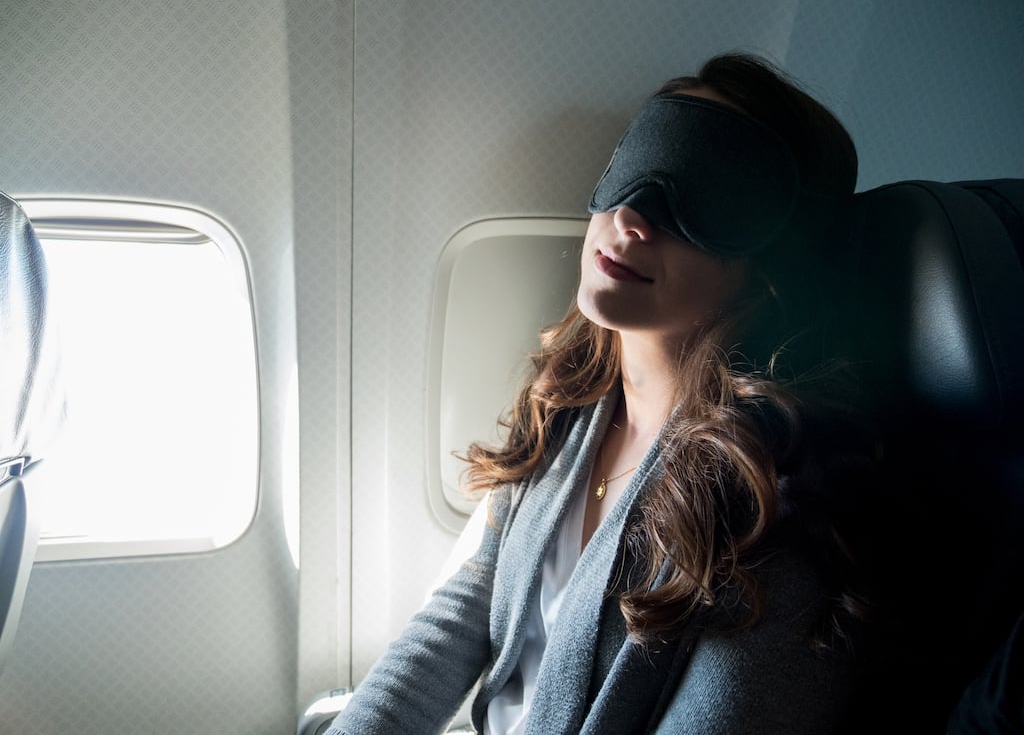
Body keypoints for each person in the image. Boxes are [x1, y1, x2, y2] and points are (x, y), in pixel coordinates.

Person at [326, 51, 878, 735]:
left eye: (704, 199)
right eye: (640, 165)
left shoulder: (774, 507)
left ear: (774, 262)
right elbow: (470, 601)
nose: (634, 218)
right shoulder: (570, 402)